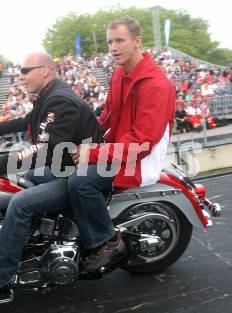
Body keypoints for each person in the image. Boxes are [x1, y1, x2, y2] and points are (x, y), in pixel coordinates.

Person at [0, 51, 102, 303]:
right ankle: (30, 243)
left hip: (77, 174)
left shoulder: (59, 101)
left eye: (24, 71)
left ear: (44, 70)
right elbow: (29, 120)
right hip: (63, 168)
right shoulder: (48, 96)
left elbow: (45, 149)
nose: (20, 77)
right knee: (24, 180)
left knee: (19, 203)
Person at [68, 18, 176, 271]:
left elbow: (142, 143)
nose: (113, 47)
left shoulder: (156, 84)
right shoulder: (119, 74)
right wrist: (82, 140)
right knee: (62, 164)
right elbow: (107, 118)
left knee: (80, 181)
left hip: (139, 160)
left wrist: (93, 153)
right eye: (110, 42)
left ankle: (108, 242)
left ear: (137, 41)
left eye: (120, 40)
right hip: (119, 151)